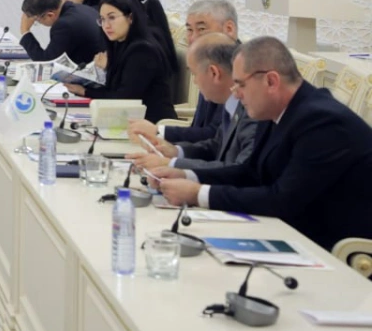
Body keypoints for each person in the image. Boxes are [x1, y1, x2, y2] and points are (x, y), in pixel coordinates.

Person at [152, 37, 372, 251]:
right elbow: (250, 172)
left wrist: (198, 194)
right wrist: (186, 175)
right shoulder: (276, 110)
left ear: (271, 81)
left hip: (338, 249)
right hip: (292, 230)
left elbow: (282, 200)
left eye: (240, 84)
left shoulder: (322, 122)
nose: (235, 94)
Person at [126, 33, 260, 172]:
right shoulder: (232, 105)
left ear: (214, 73)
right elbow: (216, 146)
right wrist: (176, 151)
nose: (195, 82)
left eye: (194, 74)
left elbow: (240, 170)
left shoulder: (253, 112)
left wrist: (172, 164)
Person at [128, 0, 239, 145]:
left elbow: (216, 134)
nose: (193, 38)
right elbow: (199, 126)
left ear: (229, 29)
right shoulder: (207, 60)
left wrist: (159, 131)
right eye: (189, 30)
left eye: (201, 29)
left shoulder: (238, 70)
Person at [63, 0, 176, 123]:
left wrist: (85, 91)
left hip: (152, 125)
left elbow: (123, 98)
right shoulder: (120, 43)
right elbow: (116, 88)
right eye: (102, 19)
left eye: (112, 18)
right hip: (128, 120)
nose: (106, 25)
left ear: (130, 18)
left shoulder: (143, 50)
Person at [18, 0, 105, 64]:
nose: (39, 23)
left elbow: (47, 63)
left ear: (50, 15)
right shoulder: (82, 8)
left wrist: (25, 31)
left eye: (37, 20)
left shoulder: (64, 26)